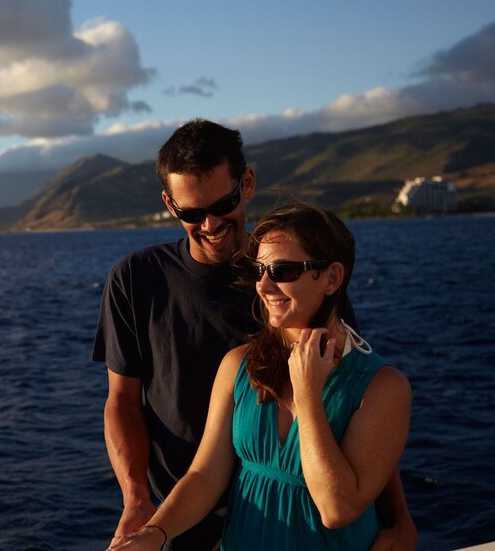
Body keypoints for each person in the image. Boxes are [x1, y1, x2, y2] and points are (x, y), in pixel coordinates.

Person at [93, 119, 416, 549]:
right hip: (183, 510)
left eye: (221, 204)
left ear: (246, 183)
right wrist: (139, 504)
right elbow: (123, 402)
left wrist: (398, 516)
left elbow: (358, 409)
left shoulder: (305, 295)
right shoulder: (137, 279)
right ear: (170, 205)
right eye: (191, 212)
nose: (209, 224)